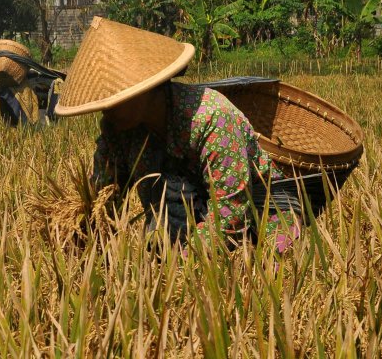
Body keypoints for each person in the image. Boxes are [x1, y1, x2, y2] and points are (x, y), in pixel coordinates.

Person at [54, 18, 307, 252]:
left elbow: (232, 215)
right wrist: (77, 234)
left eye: (116, 97)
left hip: (261, 211)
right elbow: (103, 198)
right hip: (190, 214)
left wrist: (183, 264)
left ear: (147, 87)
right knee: (165, 197)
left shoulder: (212, 118)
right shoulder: (117, 129)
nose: (107, 109)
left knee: (273, 269)